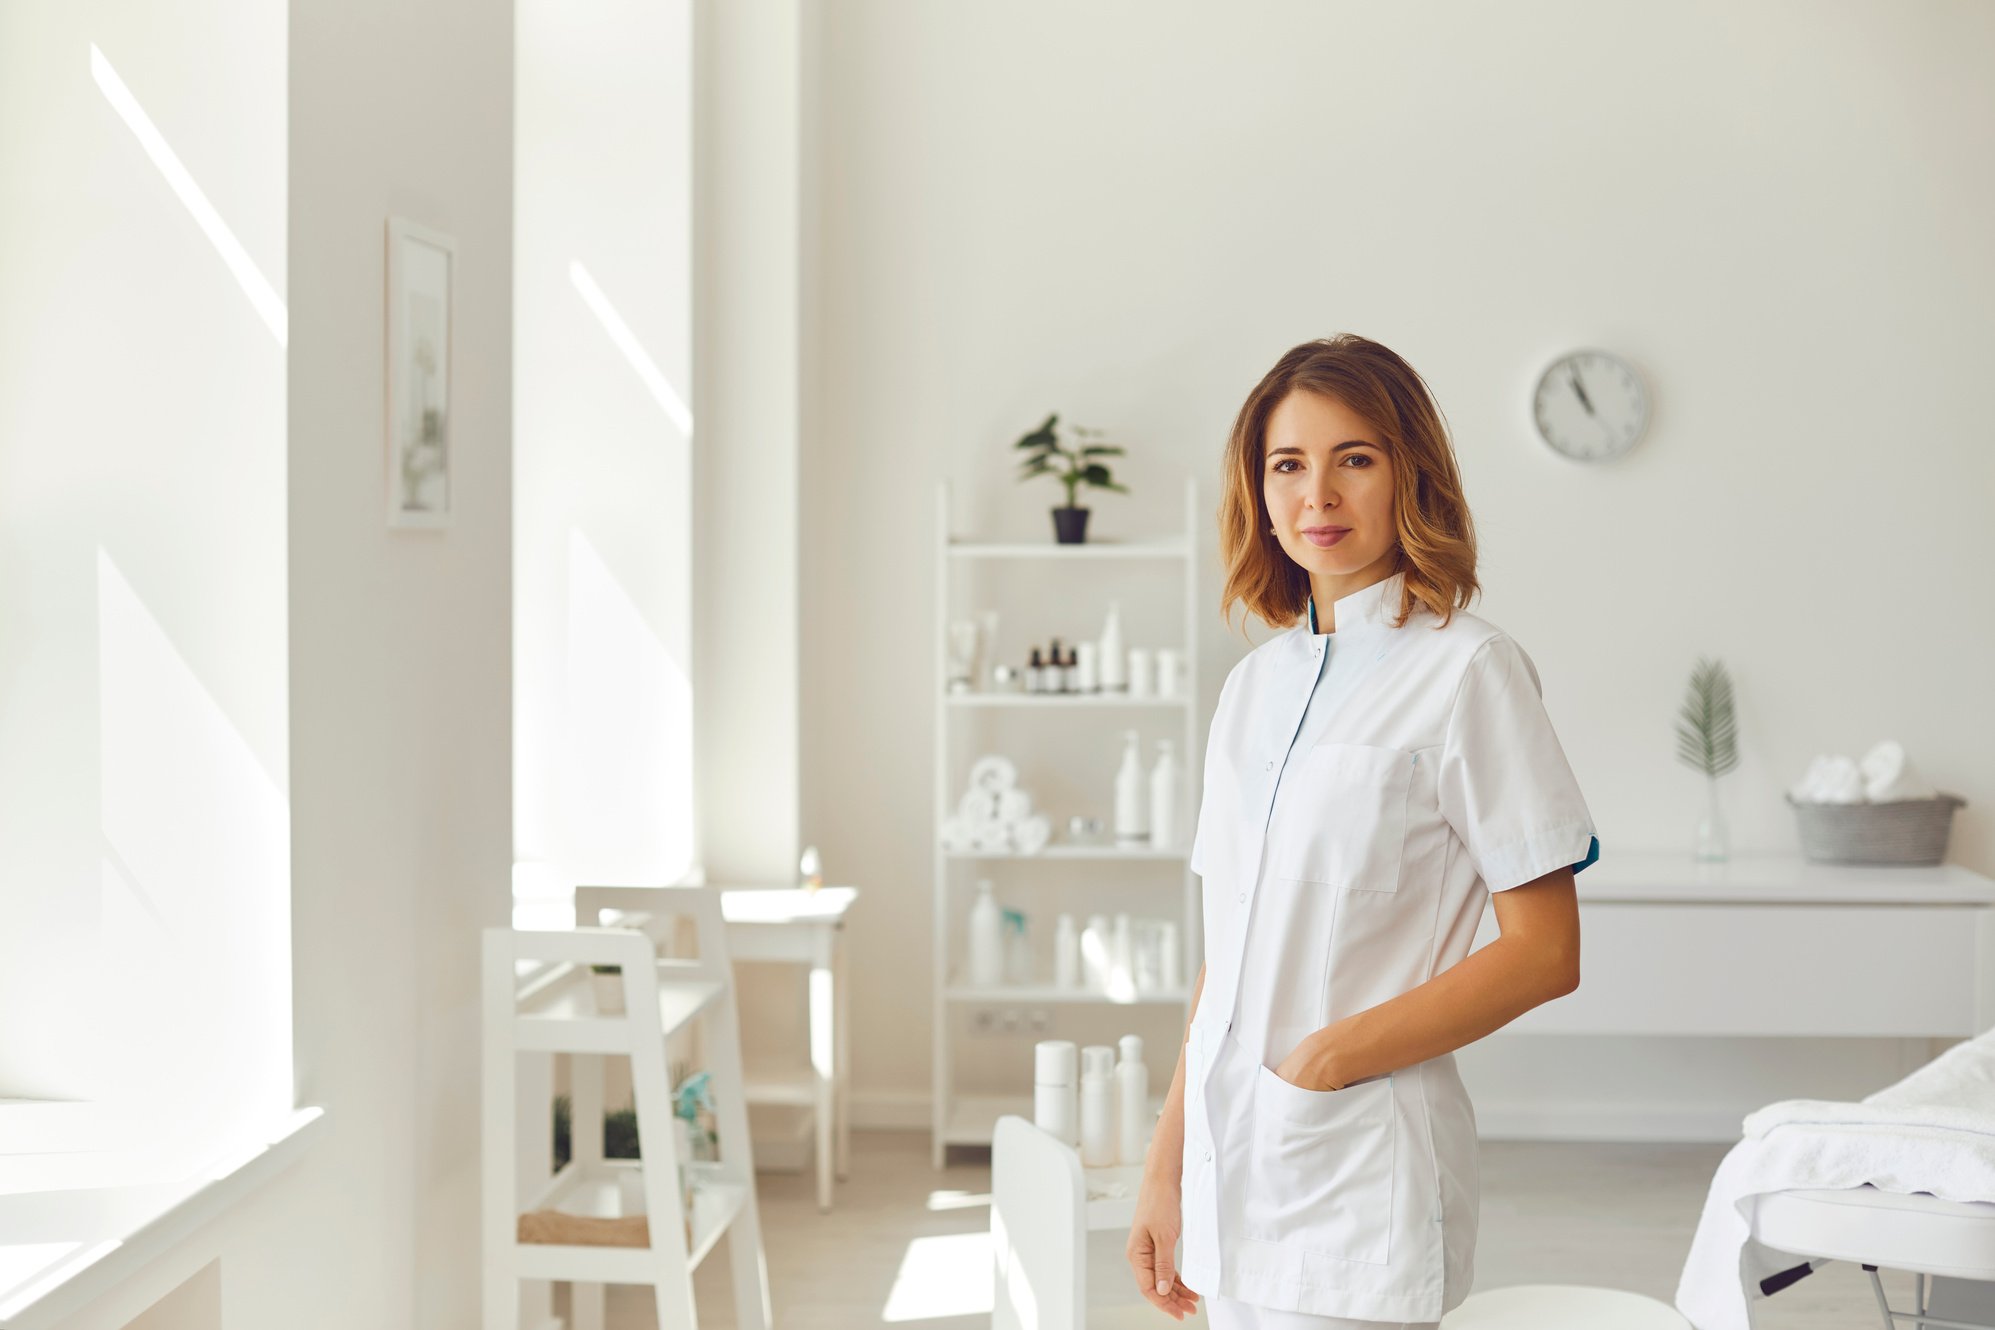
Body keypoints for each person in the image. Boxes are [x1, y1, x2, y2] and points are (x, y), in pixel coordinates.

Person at [1125, 334, 1600, 1329]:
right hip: (1228, 1171)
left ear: (1410, 472)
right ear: (1257, 491)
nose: (1318, 495)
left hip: (1355, 1172)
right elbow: (1230, 957)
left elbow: (1546, 952)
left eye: (1355, 458)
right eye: (1288, 465)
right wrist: (1165, 1170)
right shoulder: (1250, 690)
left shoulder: (1470, 672)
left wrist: (1330, 1057)